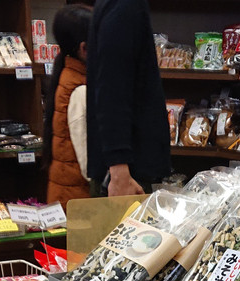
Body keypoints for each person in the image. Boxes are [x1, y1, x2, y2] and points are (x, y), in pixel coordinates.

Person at [86, 0, 170, 197]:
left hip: (126, 170)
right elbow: (112, 88)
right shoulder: (124, 5)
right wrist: (119, 171)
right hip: (127, 175)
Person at [44, 4, 93, 208]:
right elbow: (88, 167)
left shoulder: (70, 75)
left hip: (69, 199)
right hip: (76, 205)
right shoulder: (79, 89)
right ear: (84, 49)